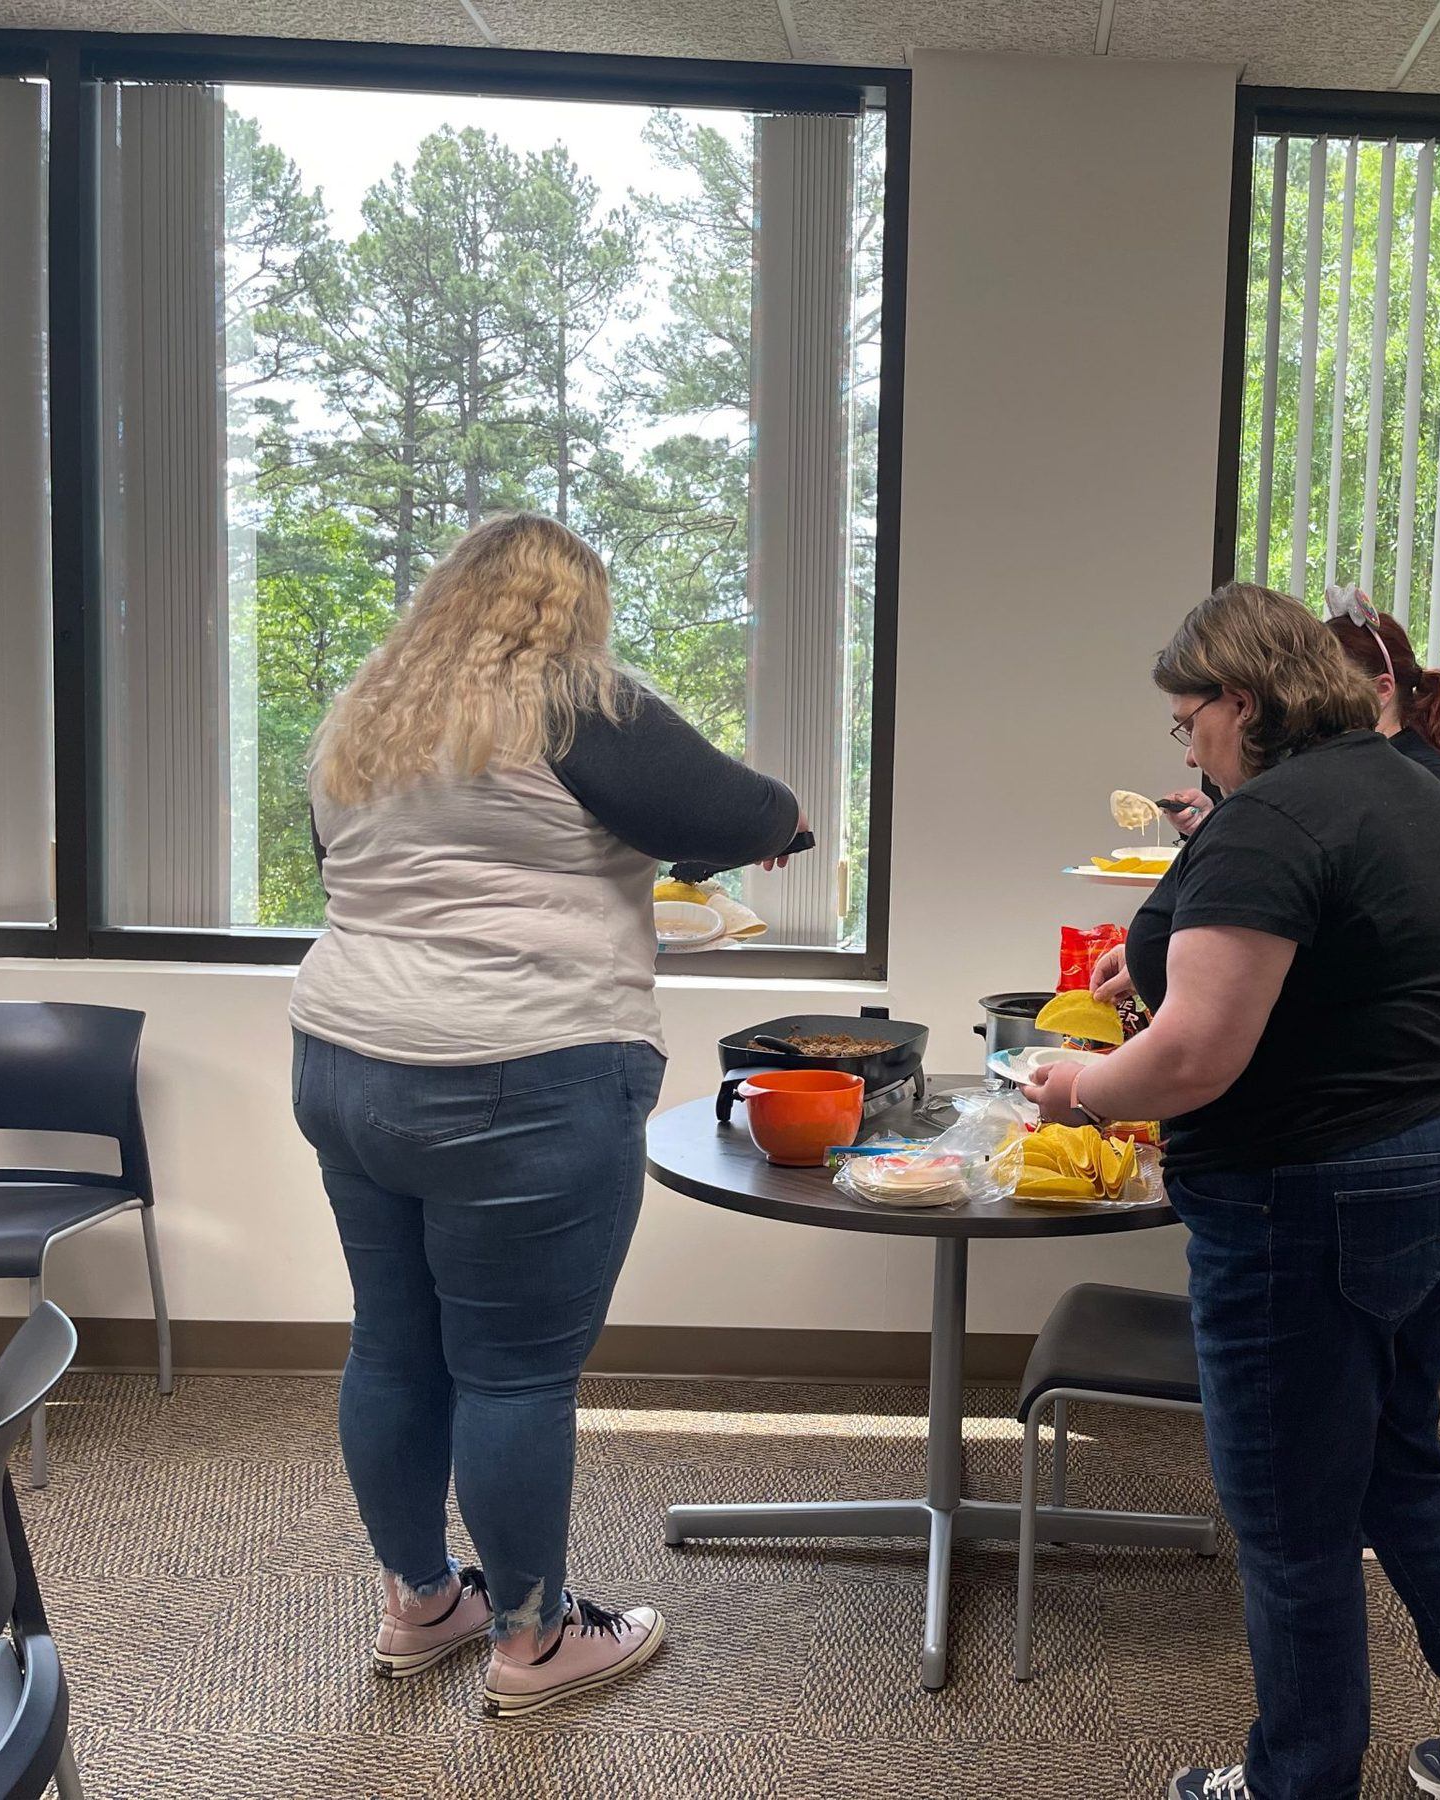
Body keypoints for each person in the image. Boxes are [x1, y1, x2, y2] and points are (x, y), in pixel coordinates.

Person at [1024, 583, 1440, 1800]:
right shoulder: (1412, 783)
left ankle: (1298, 1783)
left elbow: (1190, 1060)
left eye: (1187, 722)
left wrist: (1074, 1084)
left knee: (1288, 1519)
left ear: (1240, 700)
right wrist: (1166, 941)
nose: (1184, 747)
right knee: (1395, 1461)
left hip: (1316, 1199)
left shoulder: (1270, 824)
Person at [289, 512, 804, 1719]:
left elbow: (341, 863)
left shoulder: (363, 718)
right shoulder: (575, 704)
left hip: (348, 1062)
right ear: (570, 608)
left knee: (392, 1341)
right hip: (519, 1071)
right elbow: (740, 812)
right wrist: (785, 830)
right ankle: (533, 1642)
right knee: (514, 1376)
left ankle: (423, 1603)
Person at [1325, 585, 1440, 832]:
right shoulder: (1345, 762)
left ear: (1382, 689)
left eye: (1331, 680)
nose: (1315, 693)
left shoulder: (1423, 775)